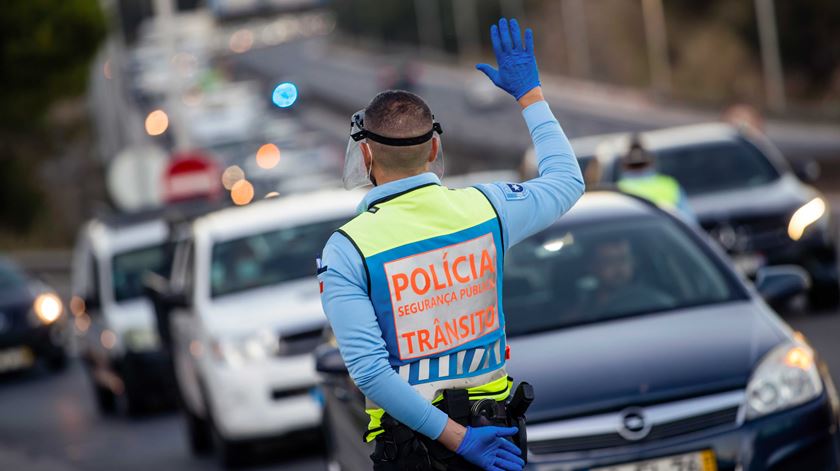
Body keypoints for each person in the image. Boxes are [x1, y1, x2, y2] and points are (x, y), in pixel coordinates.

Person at [318, 18, 584, 470]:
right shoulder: (487, 209)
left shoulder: (347, 249)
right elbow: (566, 180)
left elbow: (369, 373)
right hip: (497, 439)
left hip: (415, 450)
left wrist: (457, 441)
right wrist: (530, 96)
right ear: (434, 148)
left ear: (365, 154)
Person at [579, 238, 675, 318]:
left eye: (624, 259)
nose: (619, 267)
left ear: (634, 261)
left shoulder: (657, 302)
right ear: (592, 267)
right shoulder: (581, 311)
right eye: (609, 261)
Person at [616, 134, 695, 222]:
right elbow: (688, 220)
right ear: (651, 162)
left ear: (624, 165)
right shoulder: (669, 185)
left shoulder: (618, 191)